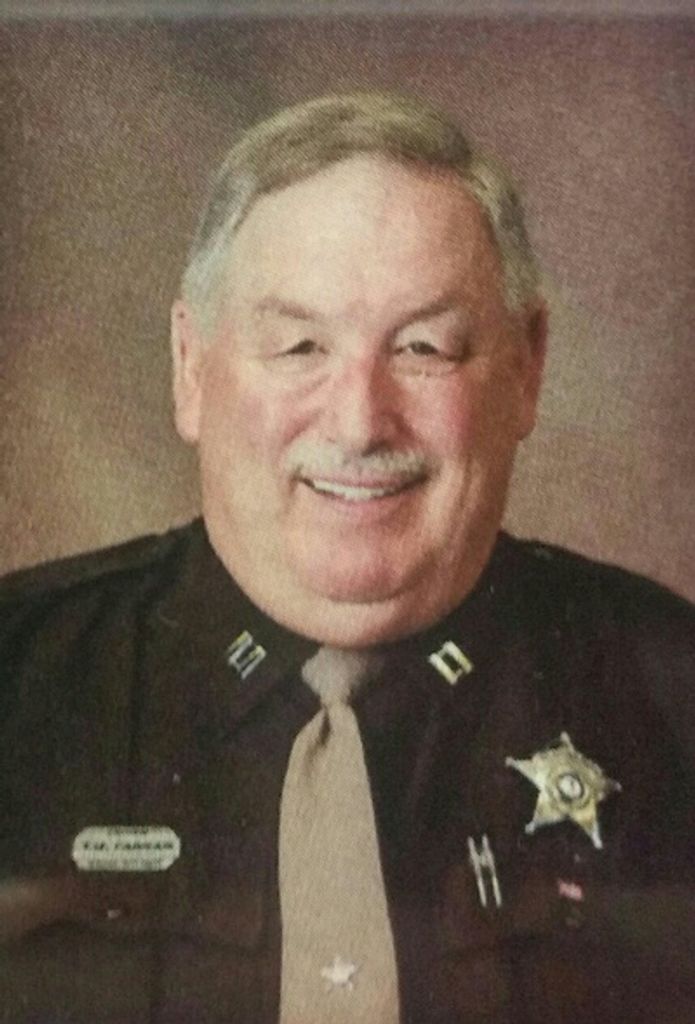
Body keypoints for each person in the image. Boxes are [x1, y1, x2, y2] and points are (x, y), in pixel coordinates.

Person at [1, 91, 693, 1024]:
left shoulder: (673, 693)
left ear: (526, 367)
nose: (360, 422)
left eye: (423, 347)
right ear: (190, 366)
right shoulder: (16, 683)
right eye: (299, 346)